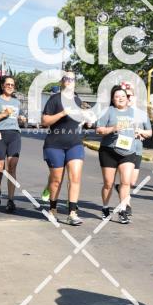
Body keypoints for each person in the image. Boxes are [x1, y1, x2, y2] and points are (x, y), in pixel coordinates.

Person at [41, 72, 90, 225]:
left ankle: (72, 213)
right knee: (56, 180)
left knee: (75, 177)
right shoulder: (54, 99)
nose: (69, 81)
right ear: (62, 81)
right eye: (66, 78)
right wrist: (62, 113)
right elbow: (44, 121)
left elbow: (83, 122)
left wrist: (87, 120)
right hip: (55, 144)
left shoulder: (78, 100)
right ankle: (52, 209)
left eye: (72, 79)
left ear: (75, 82)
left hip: (75, 143)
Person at [96, 84, 150, 224]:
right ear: (112, 99)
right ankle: (105, 207)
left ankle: (122, 210)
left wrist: (140, 132)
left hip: (128, 151)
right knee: (108, 184)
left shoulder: (135, 113)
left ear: (127, 98)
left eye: (122, 96)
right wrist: (113, 128)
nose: (120, 98)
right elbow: (99, 130)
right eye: (116, 96)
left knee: (126, 182)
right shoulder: (108, 111)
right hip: (109, 150)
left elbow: (148, 132)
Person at [0, 74, 26, 212]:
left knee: (12, 167)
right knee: (0, 167)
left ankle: (11, 200)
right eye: (8, 84)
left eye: (12, 85)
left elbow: (18, 119)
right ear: (2, 85)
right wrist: (4, 114)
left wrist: (21, 119)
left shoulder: (16, 102)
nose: (10, 86)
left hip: (14, 134)